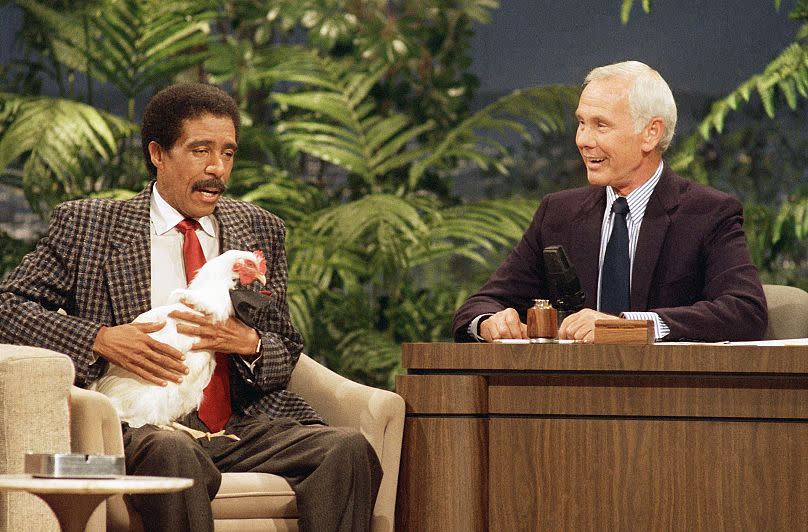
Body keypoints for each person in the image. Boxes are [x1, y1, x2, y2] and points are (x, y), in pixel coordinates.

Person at [0, 83, 381, 531]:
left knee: (348, 449)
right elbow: (8, 308)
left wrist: (252, 343)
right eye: (201, 150)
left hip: (241, 422)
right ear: (158, 153)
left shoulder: (259, 229)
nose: (217, 169)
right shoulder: (90, 226)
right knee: (173, 452)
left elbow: (286, 346)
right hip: (140, 424)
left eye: (228, 153)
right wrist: (102, 340)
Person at [453, 61, 767, 344]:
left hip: (668, 395)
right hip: (571, 396)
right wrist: (489, 322)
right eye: (581, 122)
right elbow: (480, 305)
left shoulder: (708, 213)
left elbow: (745, 310)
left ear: (650, 134)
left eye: (600, 125)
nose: (583, 140)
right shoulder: (557, 214)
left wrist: (628, 328)